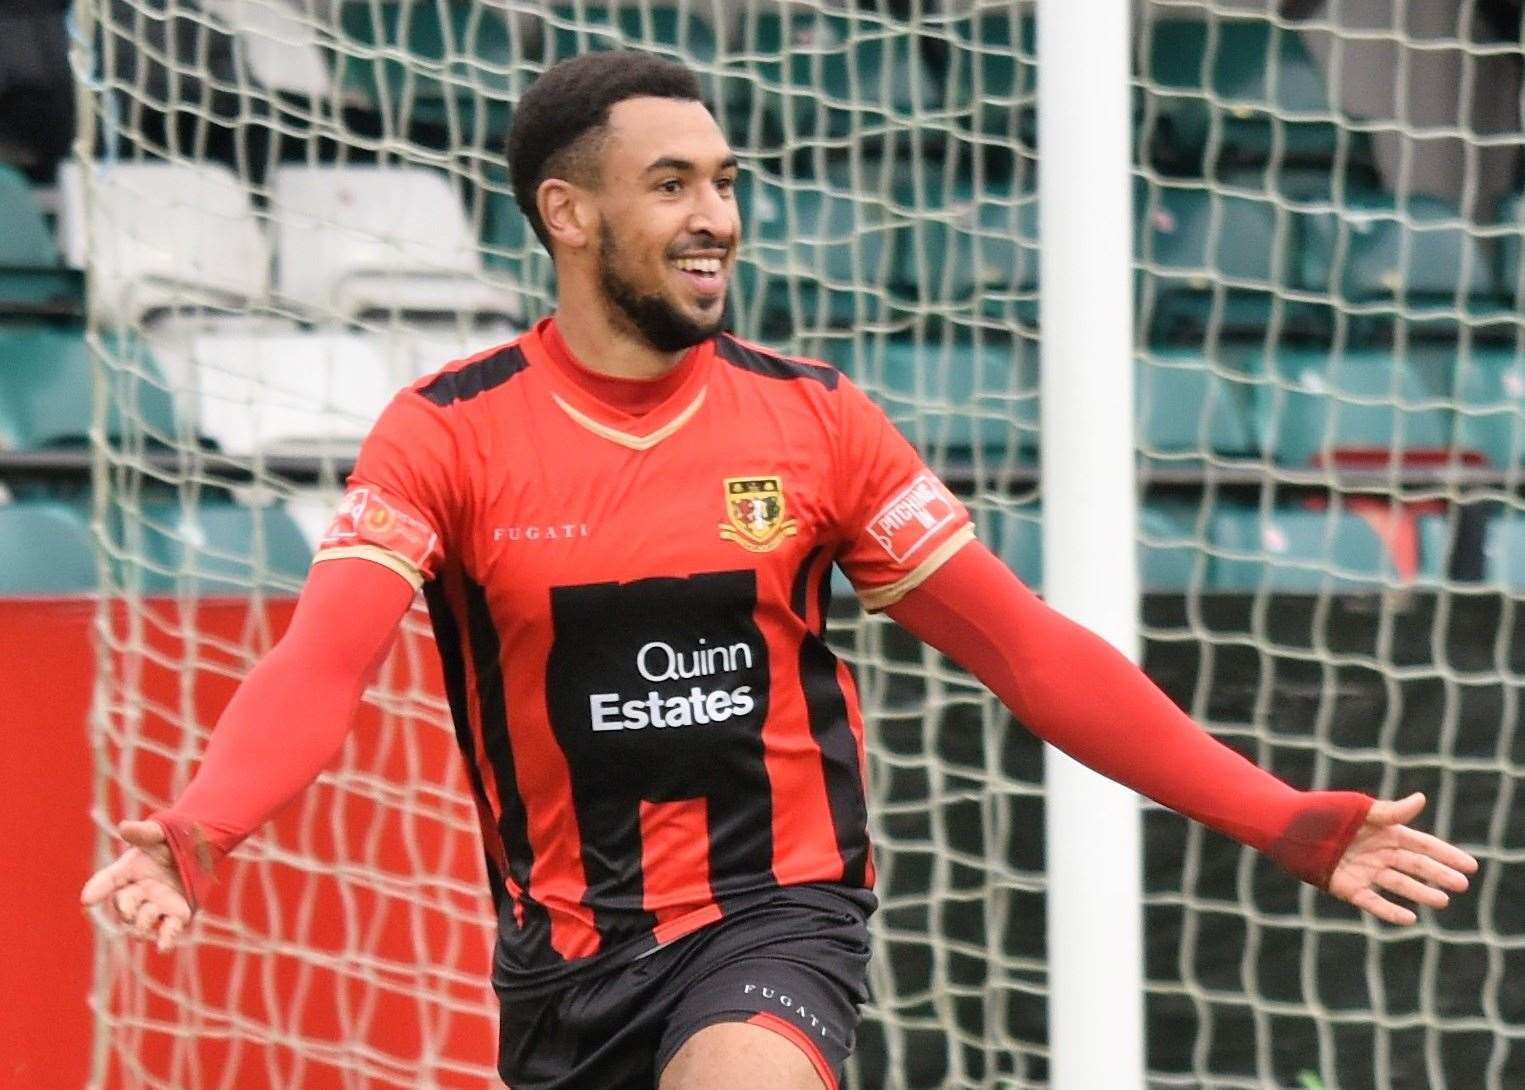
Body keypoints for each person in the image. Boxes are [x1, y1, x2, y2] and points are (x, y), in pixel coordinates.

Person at [81, 51, 1479, 1090]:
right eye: (672, 183)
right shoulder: (447, 431)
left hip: (773, 920)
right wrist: (204, 826)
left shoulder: (814, 421)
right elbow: (320, 660)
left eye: (727, 183)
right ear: (566, 213)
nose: (717, 217)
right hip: (562, 966)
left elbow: (1024, 649)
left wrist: (1277, 815)